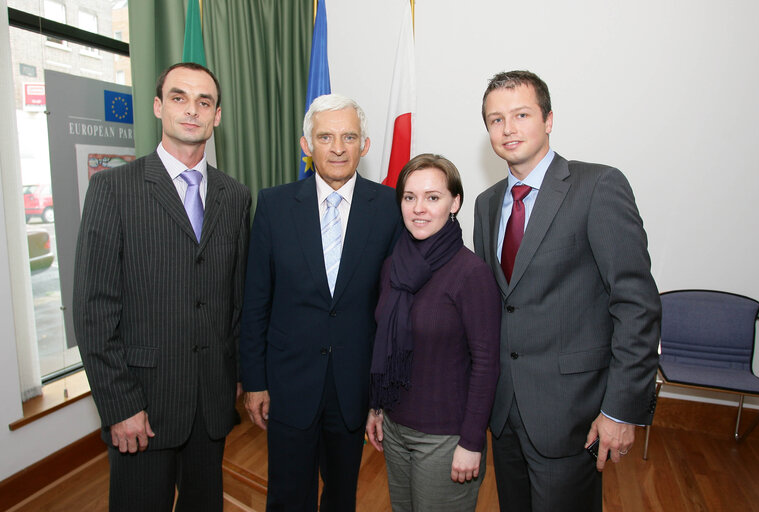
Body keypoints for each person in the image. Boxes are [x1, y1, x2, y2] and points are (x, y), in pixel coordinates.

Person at [473, 70, 661, 511]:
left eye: (521, 114)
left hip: (573, 413)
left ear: (549, 119)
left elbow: (636, 304)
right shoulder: (485, 205)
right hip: (504, 412)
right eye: (496, 120)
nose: (508, 128)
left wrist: (620, 409)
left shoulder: (597, 186)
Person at [73, 62, 251, 511]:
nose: (191, 110)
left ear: (217, 116)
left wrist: (237, 378)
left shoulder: (236, 197)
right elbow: (94, 311)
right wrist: (119, 405)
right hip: (142, 407)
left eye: (203, 101)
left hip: (210, 406)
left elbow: (236, 300)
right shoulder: (113, 190)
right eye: (179, 97)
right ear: (158, 107)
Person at [239, 93, 402, 511]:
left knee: (342, 496)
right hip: (288, 383)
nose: (338, 147)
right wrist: (254, 380)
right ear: (306, 145)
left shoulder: (389, 208)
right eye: (325, 137)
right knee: (288, 496)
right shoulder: (274, 206)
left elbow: (394, 310)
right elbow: (256, 300)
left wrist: (382, 394)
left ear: (364, 146)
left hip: (354, 385)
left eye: (349, 136)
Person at [366, 153, 500, 511]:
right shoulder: (393, 265)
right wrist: (376, 408)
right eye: (410, 197)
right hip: (394, 428)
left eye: (433, 197)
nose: (419, 208)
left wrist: (472, 442)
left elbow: (487, 364)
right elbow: (386, 344)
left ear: (455, 202)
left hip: (445, 437)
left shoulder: (471, 273)